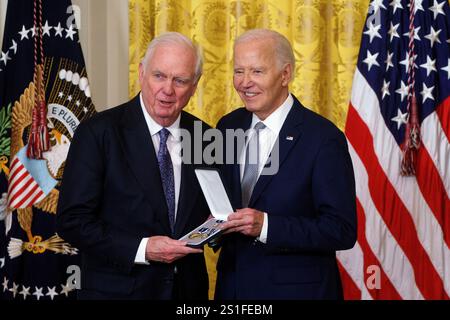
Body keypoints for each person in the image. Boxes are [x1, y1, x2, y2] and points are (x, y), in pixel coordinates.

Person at [56, 32, 211, 300]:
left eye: (180, 80)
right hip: (117, 291)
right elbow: (72, 221)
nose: (168, 89)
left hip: (187, 292)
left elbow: (210, 211)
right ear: (141, 73)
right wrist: (143, 249)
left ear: (195, 86)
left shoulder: (206, 136)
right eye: (159, 76)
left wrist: (216, 227)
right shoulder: (98, 133)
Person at [214, 29, 357, 299]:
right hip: (232, 289)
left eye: (257, 71)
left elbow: (341, 230)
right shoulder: (227, 126)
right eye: (238, 71)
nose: (244, 82)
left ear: (285, 74)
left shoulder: (323, 138)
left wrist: (266, 226)